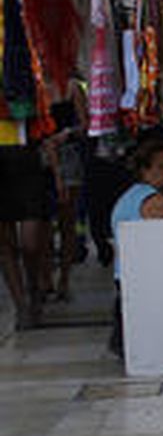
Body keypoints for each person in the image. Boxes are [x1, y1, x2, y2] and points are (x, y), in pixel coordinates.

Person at [107, 135, 163, 358]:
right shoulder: (158, 203)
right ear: (144, 170)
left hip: (125, 280)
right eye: (162, 166)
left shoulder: (128, 197)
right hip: (145, 283)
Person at [40, 73, 88, 302]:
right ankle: (47, 277)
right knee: (43, 223)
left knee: (67, 220)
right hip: (41, 157)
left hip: (67, 155)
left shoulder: (71, 86)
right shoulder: (35, 81)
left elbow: (85, 124)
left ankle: (64, 280)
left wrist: (65, 134)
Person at [0, 114, 48, 332]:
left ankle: (33, 288)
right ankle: (21, 305)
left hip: (24, 151)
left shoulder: (24, 78)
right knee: (4, 243)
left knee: (30, 242)